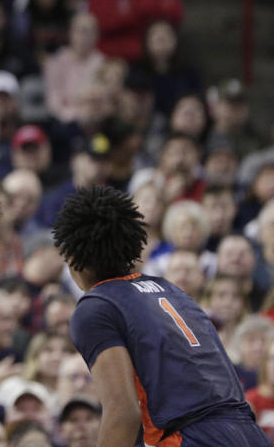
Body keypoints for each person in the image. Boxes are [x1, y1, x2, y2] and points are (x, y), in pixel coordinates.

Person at [54, 185, 268, 446]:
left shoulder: (96, 306)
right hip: (248, 433)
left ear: (73, 258)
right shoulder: (172, 290)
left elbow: (123, 413)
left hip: (191, 436)